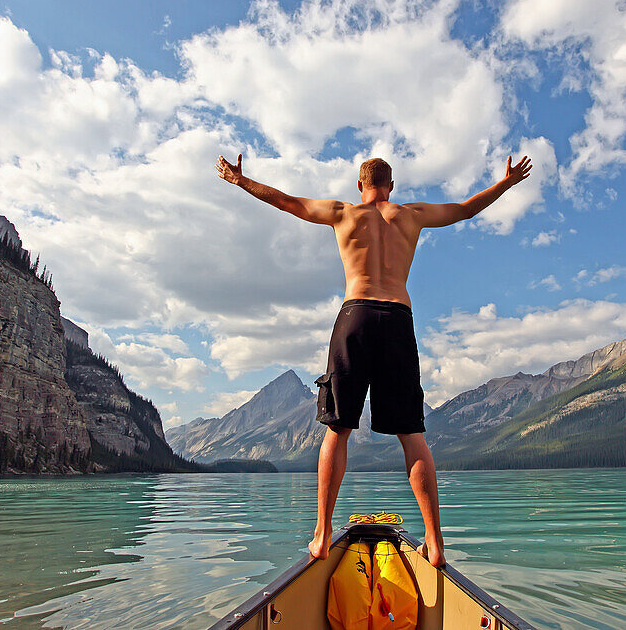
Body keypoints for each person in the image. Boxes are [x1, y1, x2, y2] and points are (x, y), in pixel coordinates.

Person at [216, 153, 533, 568]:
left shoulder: (342, 212)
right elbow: (465, 209)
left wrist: (242, 181)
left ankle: (322, 534)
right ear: (391, 186)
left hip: (356, 317)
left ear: (358, 185)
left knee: (338, 429)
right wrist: (505, 183)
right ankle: (435, 544)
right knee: (412, 435)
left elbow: (286, 202)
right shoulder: (411, 214)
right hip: (397, 319)